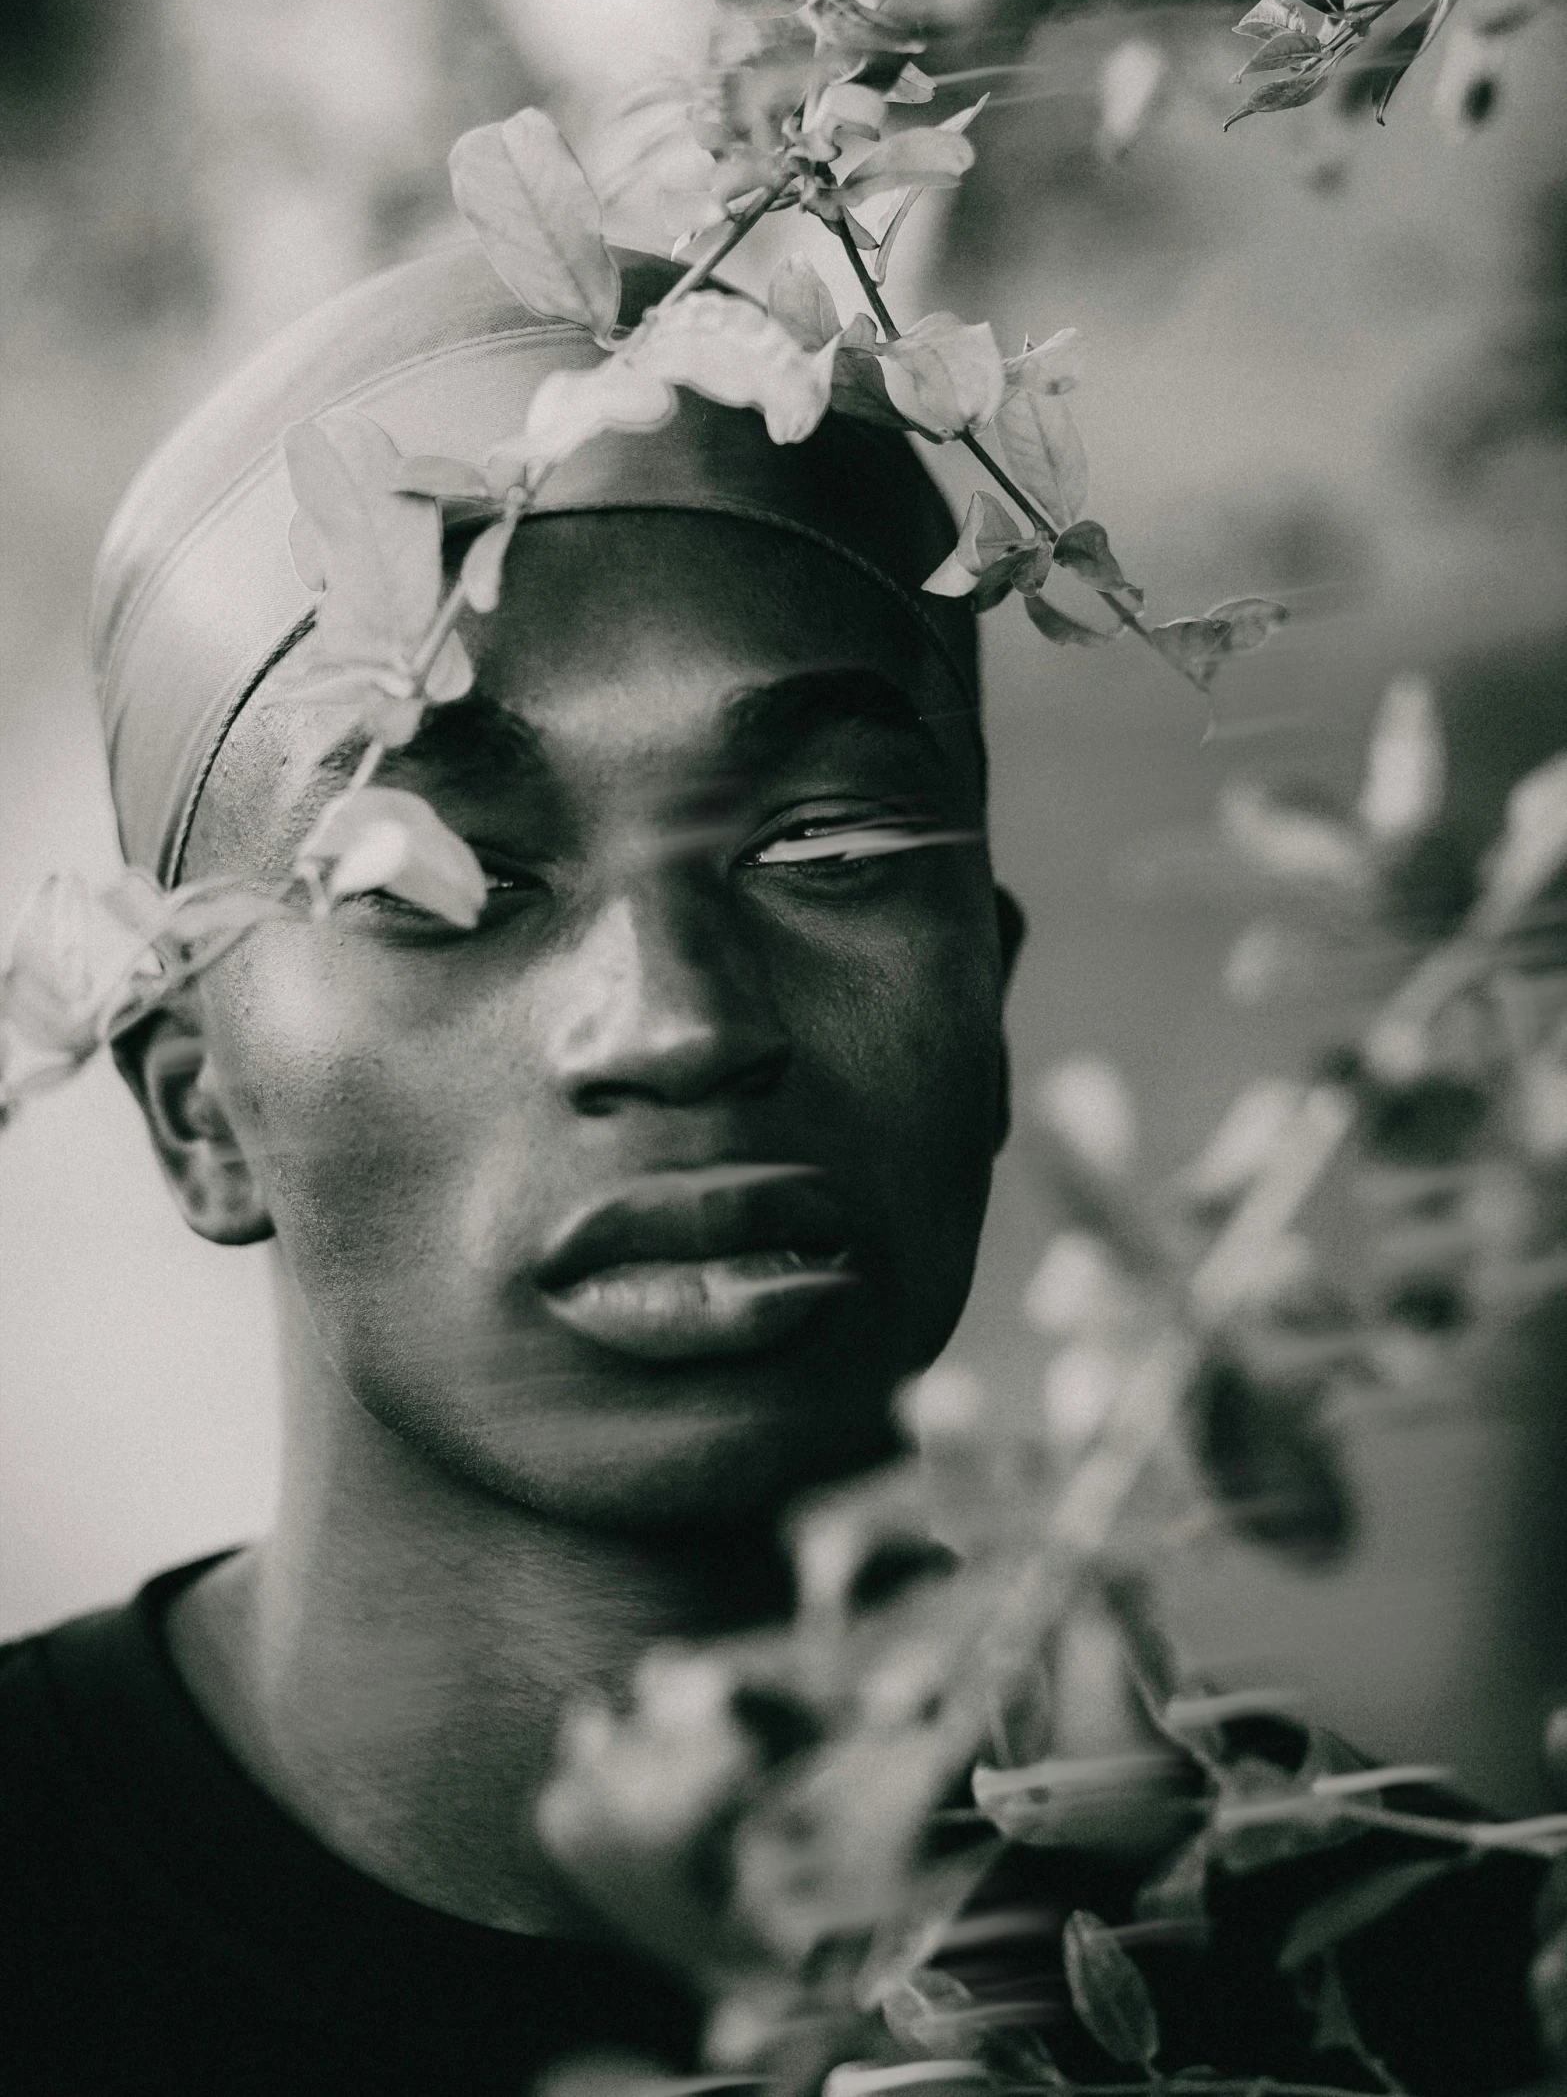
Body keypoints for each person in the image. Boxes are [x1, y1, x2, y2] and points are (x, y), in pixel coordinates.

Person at [0, 237, 1548, 2096]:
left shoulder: (1437, 1975)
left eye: (827, 848)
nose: (669, 1017)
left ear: (989, 995)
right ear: (195, 1103)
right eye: (443, 880)